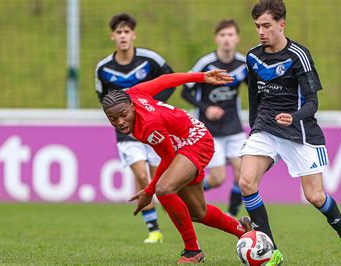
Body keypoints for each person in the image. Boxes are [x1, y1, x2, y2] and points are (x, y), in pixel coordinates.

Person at [239, 1, 341, 265]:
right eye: (257, 26)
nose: (261, 31)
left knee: (314, 197)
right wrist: (253, 129)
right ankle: (272, 251)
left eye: (267, 26)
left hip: (300, 131)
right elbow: (253, 96)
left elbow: (313, 103)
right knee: (246, 182)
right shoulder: (252, 56)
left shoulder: (298, 56)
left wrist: (293, 116)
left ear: (282, 25)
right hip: (265, 129)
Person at [102, 70, 252, 264]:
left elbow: (168, 159)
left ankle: (192, 251)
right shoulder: (132, 93)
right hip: (184, 142)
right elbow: (165, 80)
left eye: (123, 115)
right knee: (198, 212)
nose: (120, 122)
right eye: (113, 119)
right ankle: (243, 231)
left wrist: (149, 190)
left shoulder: (149, 126)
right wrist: (200, 77)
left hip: (195, 142)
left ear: (131, 106)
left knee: (164, 189)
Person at [95, 13, 175, 244]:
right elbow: (103, 97)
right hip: (126, 132)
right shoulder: (103, 68)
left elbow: (168, 79)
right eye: (118, 32)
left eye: (126, 32)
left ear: (133, 34)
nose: (123, 36)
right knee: (141, 175)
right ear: (113, 36)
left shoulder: (149, 59)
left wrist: (155, 106)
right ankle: (154, 230)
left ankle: (178, 221)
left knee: (160, 182)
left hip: (152, 127)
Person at [181, 19, 248, 217]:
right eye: (222, 35)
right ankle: (187, 193)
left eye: (230, 35)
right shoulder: (206, 63)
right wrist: (206, 107)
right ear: (216, 39)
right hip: (209, 129)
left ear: (237, 38)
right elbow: (185, 92)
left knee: (243, 176)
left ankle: (233, 213)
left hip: (234, 128)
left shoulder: (244, 64)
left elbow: (255, 90)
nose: (226, 39)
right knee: (218, 178)